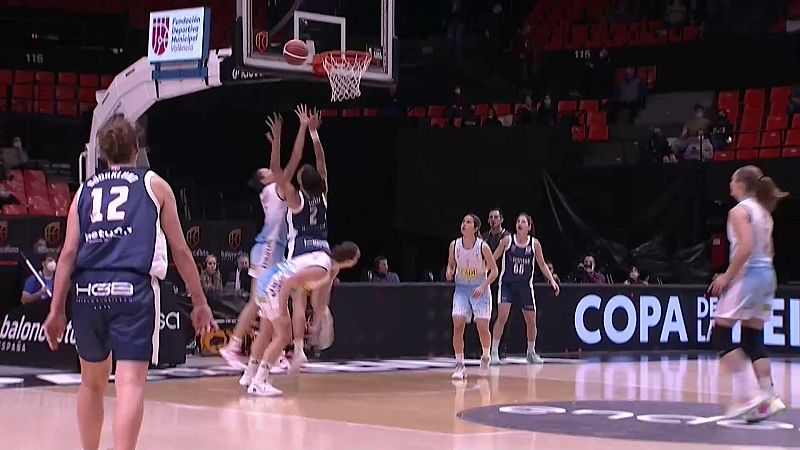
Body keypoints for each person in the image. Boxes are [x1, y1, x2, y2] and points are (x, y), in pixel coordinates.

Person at [42, 115, 217, 450]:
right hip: (132, 288)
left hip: (88, 290)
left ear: (103, 154)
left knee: (91, 384)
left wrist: (56, 309)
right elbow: (180, 249)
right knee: (130, 383)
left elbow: (67, 255)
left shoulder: (84, 191)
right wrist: (199, 301)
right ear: (137, 149)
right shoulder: (155, 185)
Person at [219, 105, 309, 374]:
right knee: (260, 303)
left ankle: (272, 355)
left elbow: (289, 161)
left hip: (274, 250)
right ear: (264, 180)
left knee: (271, 307)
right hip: (268, 249)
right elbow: (288, 162)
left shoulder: (275, 188)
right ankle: (233, 345)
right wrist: (283, 138)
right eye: (267, 172)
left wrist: (300, 130)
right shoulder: (274, 189)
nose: (272, 171)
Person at [709, 165, 789, 421]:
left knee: (720, 334)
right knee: (752, 338)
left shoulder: (739, 211)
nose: (729, 184)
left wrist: (726, 277)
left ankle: (748, 396)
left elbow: (745, 248)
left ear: (741, 183)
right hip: (768, 276)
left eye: (732, 180)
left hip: (750, 276)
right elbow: (770, 251)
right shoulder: (764, 213)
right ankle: (769, 396)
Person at [248, 241, 360, 396]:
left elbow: (319, 302)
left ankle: (252, 377)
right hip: (272, 285)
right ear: (350, 260)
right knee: (283, 336)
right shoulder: (322, 268)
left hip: (267, 282)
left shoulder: (329, 266)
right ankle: (259, 382)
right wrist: (282, 311)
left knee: (269, 332)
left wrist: (322, 320)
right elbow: (289, 282)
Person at [490, 213, 559, 365]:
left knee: (531, 321)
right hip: (507, 285)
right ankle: (493, 353)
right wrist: (482, 270)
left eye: (523, 222)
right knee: (502, 317)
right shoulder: (507, 241)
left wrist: (552, 280)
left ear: (529, 226)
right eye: (518, 221)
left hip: (525, 287)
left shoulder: (534, 244)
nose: (519, 224)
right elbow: (492, 258)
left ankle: (531, 352)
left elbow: (541, 264)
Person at [446, 213, 498, 380]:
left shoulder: (482, 247)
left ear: (475, 228)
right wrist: (449, 271)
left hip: (479, 288)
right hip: (461, 288)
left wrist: (483, 286)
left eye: (468, 222)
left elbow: (494, 271)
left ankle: (485, 355)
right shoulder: (454, 245)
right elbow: (451, 264)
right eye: (463, 222)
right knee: (458, 323)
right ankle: (460, 365)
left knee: (482, 327)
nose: (464, 224)